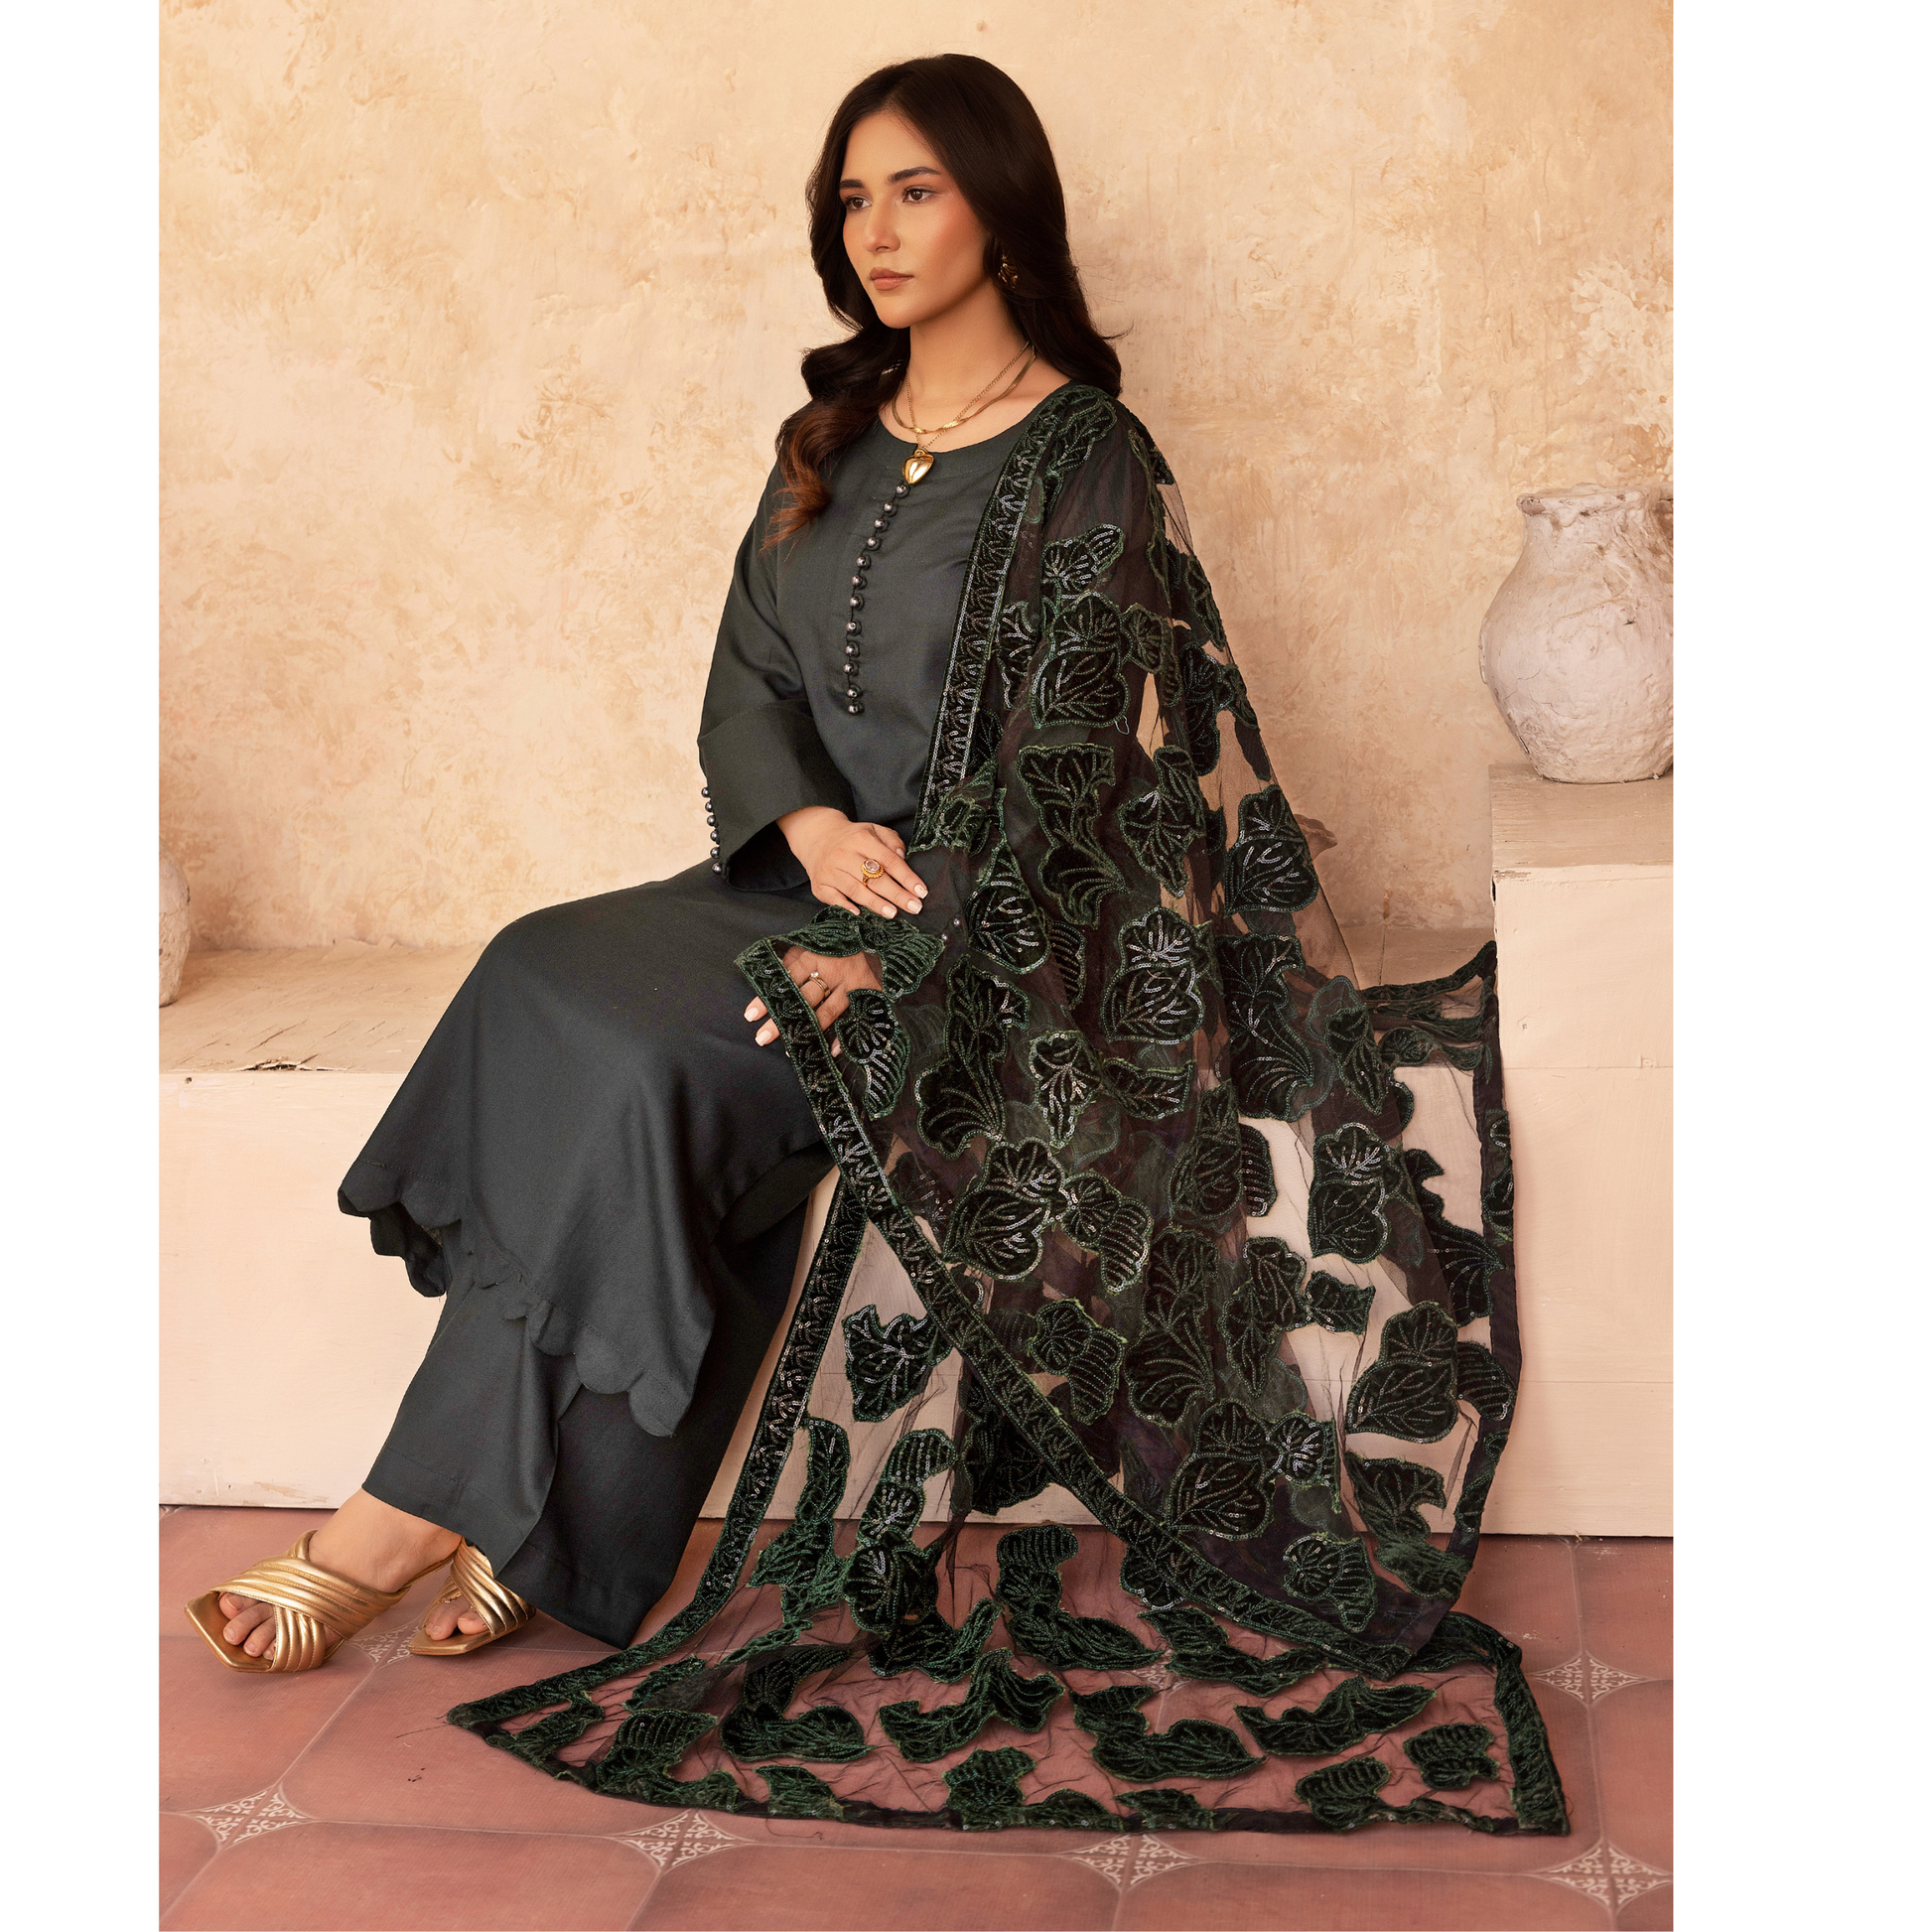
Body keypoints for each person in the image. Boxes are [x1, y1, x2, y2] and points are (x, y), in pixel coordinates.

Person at [187, 55, 1566, 1841]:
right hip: (796, 880)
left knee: (651, 1067)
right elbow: (744, 682)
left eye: (914, 189)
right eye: (852, 197)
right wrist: (808, 832)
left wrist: (906, 955)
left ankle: (396, 1526)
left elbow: (1080, 762)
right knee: (541, 971)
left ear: (1001, 206)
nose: (877, 230)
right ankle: (537, 1526)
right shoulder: (828, 439)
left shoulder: (1084, 457)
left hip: (995, 935)